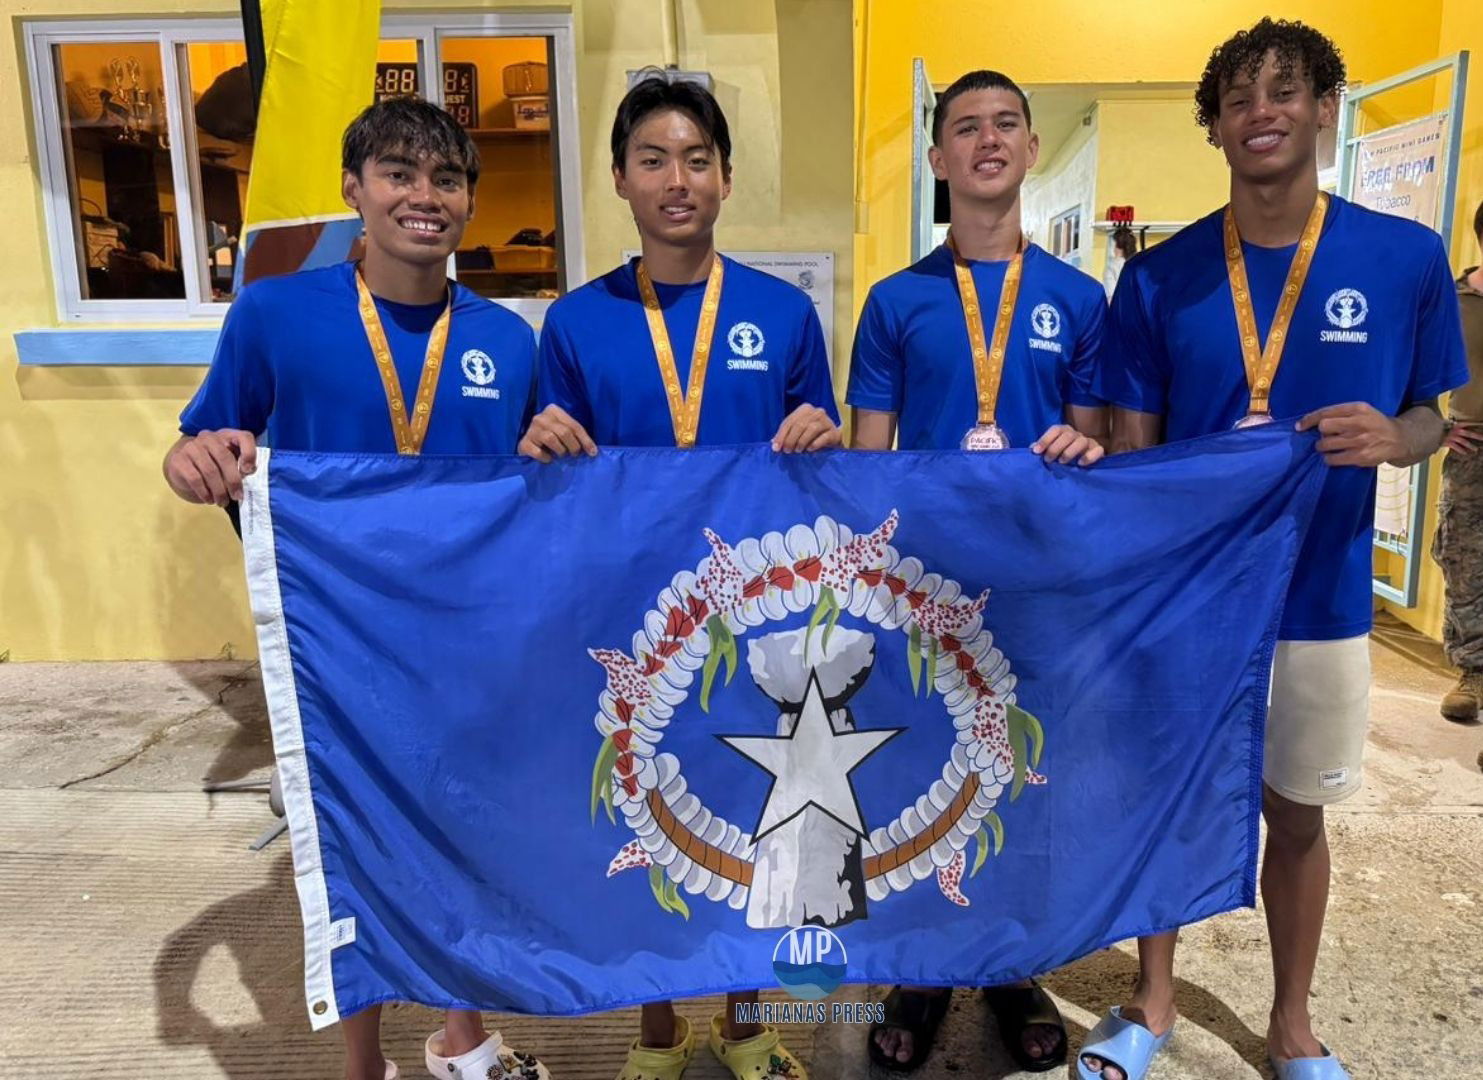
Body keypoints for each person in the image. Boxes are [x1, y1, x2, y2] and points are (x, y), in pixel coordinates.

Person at [1089, 20, 1467, 1080]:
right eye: (1239, 97)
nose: (1262, 110)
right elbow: (1132, 451)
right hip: (1188, 606)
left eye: (1284, 90)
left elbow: (1431, 413)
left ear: (1322, 111)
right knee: (1166, 800)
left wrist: (1400, 438)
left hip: (1320, 596)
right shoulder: (1159, 278)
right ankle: (1153, 995)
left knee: (1295, 818)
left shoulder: (1402, 259)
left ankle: (1291, 1021)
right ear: (1213, 127)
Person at [163, 96, 550, 1080]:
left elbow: (529, 488)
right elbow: (202, 439)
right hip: (331, 638)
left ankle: (460, 1040)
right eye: (398, 174)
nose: (423, 197)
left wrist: (551, 447)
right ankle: (362, 1064)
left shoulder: (506, 341)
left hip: (462, 636)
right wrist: (196, 460)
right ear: (354, 189)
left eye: (446, 179)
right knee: (352, 845)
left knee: (458, 829)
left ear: (469, 199)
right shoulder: (277, 312)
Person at [518, 74, 840, 1080]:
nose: (676, 179)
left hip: (759, 623)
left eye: (696, 159)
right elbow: (541, 479)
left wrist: (819, 436)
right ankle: (655, 1029)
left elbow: (828, 468)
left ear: (726, 178)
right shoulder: (574, 324)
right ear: (619, 178)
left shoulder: (784, 316)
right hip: (632, 622)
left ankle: (745, 1024)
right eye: (652, 159)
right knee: (644, 816)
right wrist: (539, 440)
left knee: (751, 818)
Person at [846, 68, 1104, 1076]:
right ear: (938, 158)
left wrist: (1089, 454)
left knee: (1023, 780)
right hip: (926, 593)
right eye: (965, 128)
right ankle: (919, 964)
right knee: (921, 780)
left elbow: (1098, 457)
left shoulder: (1079, 299)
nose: (986, 141)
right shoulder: (895, 301)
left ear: (1031, 148)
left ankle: (1010, 967)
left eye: (1005, 125)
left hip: (1037, 589)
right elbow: (869, 466)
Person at [1433, 200, 1483, 720]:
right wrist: (1438, 427)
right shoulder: (1452, 298)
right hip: (1472, 450)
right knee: (1464, 561)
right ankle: (1473, 672)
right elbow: (1412, 369)